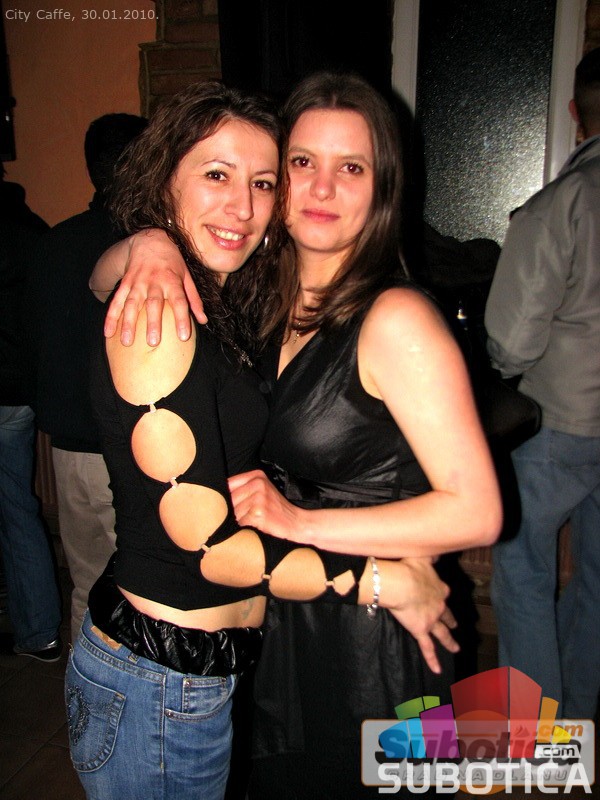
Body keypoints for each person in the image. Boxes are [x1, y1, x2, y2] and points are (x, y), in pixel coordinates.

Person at [92, 71, 501, 798]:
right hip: (282, 620)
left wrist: (302, 521)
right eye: (302, 163)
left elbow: (480, 513)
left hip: (377, 633)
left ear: (383, 188)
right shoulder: (255, 300)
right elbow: (100, 283)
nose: (322, 188)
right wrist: (150, 243)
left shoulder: (397, 318)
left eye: (353, 168)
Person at [484, 46, 600, 720]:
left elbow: (513, 340)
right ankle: (580, 720)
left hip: (559, 423)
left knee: (524, 574)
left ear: (576, 112)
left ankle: (537, 737)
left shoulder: (562, 204)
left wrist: (497, 371)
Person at [24, 113, 147, 644]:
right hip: (123, 449)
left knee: (87, 586)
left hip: (66, 446)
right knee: (142, 594)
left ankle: (84, 688)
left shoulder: (54, 242)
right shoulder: (147, 248)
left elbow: (33, 339)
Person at [0, 166, 63, 662]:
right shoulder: (35, 231)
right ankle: (34, 621)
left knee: (15, 509)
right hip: (22, 393)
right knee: (17, 507)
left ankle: (37, 626)